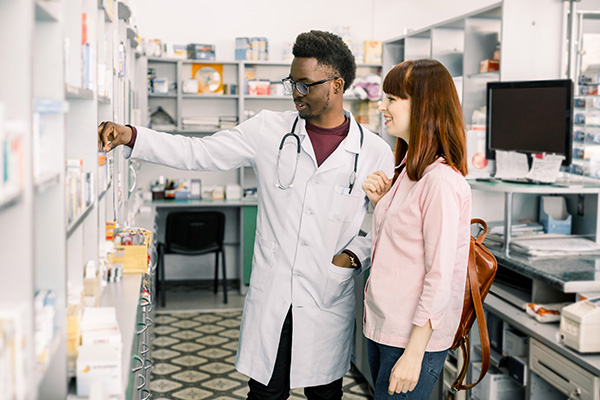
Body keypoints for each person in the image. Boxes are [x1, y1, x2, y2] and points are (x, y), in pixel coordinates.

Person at [98, 30, 394, 399]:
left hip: (325, 292)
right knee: (265, 393)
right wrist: (131, 136)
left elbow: (381, 222)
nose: (294, 93)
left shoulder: (375, 152)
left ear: (336, 85)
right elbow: (199, 153)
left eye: (304, 85)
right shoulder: (268, 130)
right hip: (274, 292)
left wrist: (352, 257)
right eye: (292, 82)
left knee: (325, 395)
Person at [361, 59, 471, 399]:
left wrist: (414, 354)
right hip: (385, 328)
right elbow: (405, 246)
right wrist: (382, 205)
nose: (382, 106)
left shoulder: (440, 181)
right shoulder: (409, 171)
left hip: (410, 340)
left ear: (425, 106)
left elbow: (439, 276)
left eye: (393, 99)